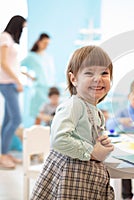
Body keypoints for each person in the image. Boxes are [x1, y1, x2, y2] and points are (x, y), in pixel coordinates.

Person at [31, 45, 115, 199]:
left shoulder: (96, 110)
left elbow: (88, 138)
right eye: (89, 73)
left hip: (84, 179)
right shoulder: (74, 105)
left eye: (104, 73)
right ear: (73, 79)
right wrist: (92, 151)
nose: (98, 79)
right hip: (70, 176)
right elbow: (59, 139)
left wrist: (102, 144)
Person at [0, 15, 26, 170]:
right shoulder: (5, 38)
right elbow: (2, 62)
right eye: (22, 27)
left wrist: (22, 75)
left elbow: (10, 62)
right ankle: (2, 155)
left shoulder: (7, 38)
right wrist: (17, 80)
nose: (22, 30)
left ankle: (4, 152)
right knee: (16, 119)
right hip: (7, 83)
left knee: (8, 119)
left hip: (9, 82)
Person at [21, 33, 53, 120]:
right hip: (38, 87)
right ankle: (36, 132)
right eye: (44, 43)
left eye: (48, 44)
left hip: (48, 88)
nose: (46, 46)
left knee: (47, 113)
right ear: (39, 42)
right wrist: (30, 76)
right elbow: (18, 66)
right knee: (38, 113)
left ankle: (43, 132)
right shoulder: (31, 56)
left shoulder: (47, 56)